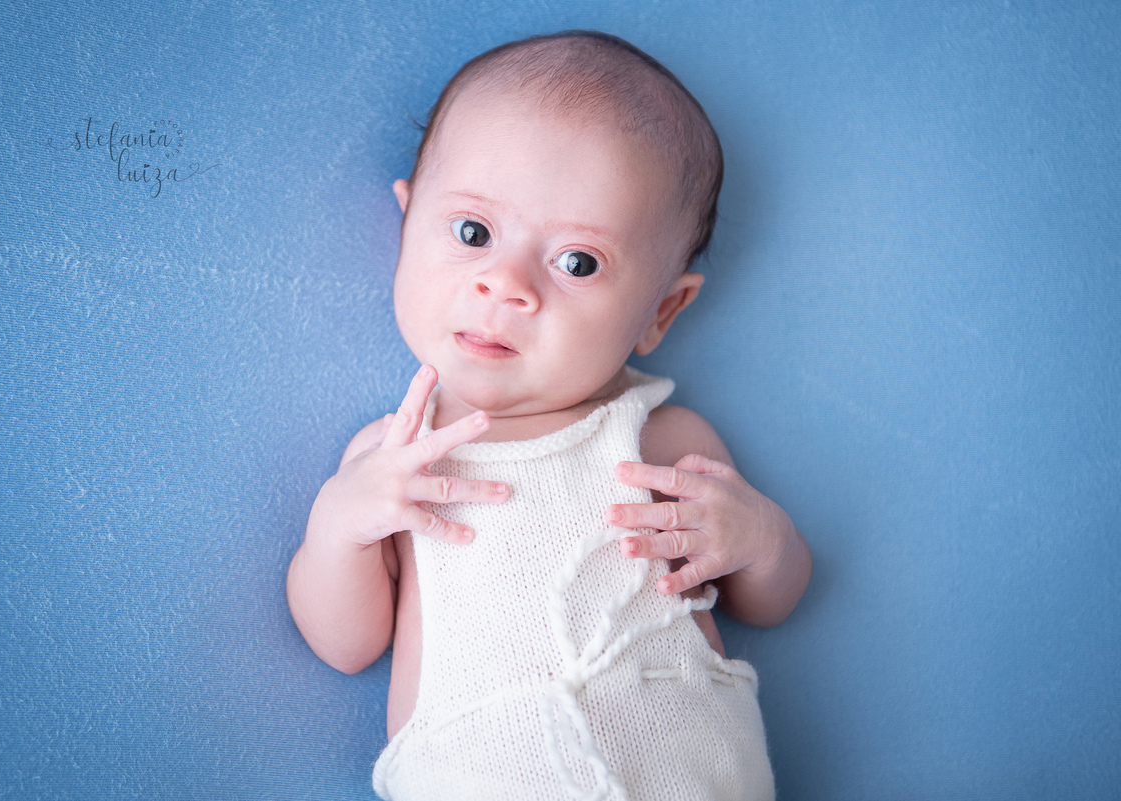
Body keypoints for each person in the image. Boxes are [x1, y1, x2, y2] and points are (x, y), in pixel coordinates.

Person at [286, 29, 812, 801]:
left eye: (577, 262)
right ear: (407, 224)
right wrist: (340, 526)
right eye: (473, 232)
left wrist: (762, 540)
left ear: (660, 311)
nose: (507, 284)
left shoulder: (666, 442)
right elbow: (346, 643)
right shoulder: (399, 457)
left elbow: (770, 601)